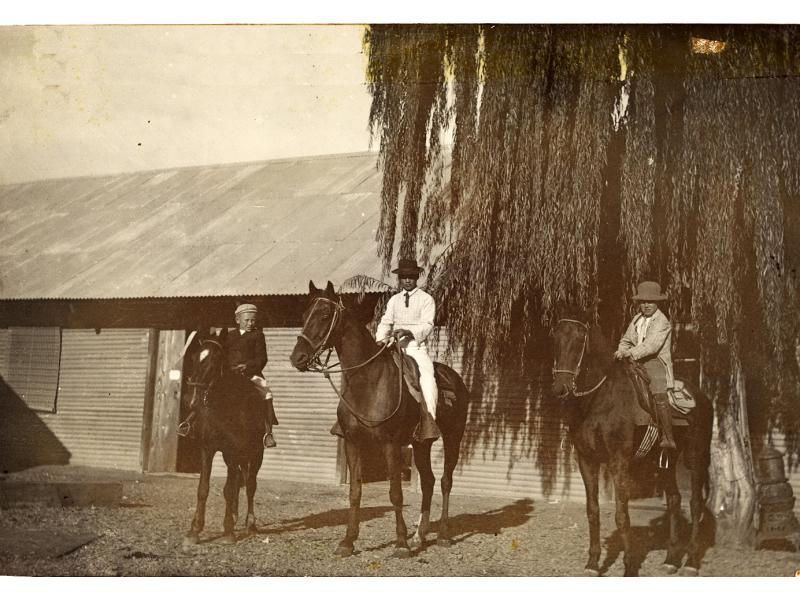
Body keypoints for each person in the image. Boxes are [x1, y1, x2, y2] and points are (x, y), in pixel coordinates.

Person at [375, 258, 440, 440]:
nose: (407, 280)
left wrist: (409, 331)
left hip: (415, 348)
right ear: (399, 279)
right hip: (392, 346)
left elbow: (427, 325)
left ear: (417, 277)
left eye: (411, 277)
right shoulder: (394, 300)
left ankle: (428, 424)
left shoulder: (426, 299)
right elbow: (385, 322)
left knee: (427, 380)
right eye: (404, 277)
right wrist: (380, 340)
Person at [613, 281, 676, 450]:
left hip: (655, 362)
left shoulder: (662, 322)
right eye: (643, 302)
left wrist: (630, 353)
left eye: (650, 302)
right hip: (634, 360)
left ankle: (668, 437)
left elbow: (651, 346)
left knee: (658, 393)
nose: (646, 305)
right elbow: (626, 340)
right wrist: (620, 350)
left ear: (658, 302)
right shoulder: (636, 320)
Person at [226, 303, 278, 448]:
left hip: (250, 374)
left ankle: (268, 432)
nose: (250, 323)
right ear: (238, 320)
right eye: (247, 320)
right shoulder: (229, 336)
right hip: (230, 374)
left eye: (253, 320)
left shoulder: (258, 335)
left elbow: (262, 358)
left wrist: (247, 366)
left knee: (266, 392)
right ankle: (191, 421)